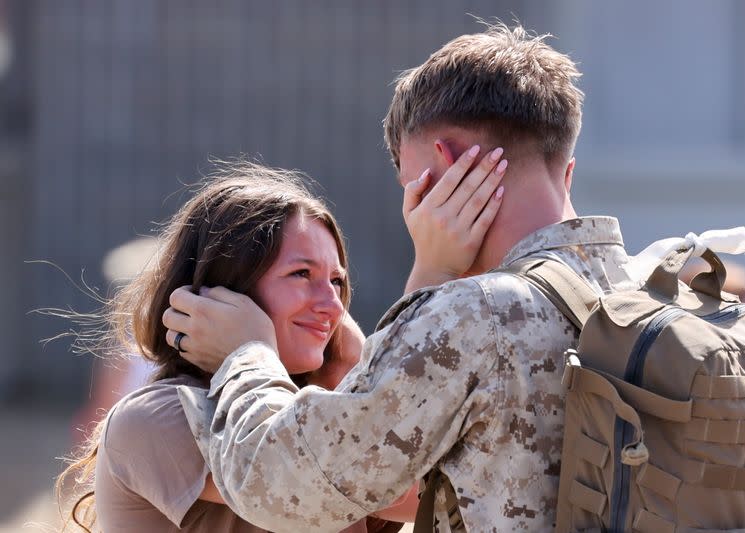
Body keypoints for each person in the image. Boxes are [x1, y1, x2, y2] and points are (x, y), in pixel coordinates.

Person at [165, 24, 631, 532]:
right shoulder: (646, 292)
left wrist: (244, 356)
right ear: (566, 172)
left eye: (412, 188)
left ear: (445, 166)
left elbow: (285, 488)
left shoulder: (476, 315)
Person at [56, 157, 504, 532]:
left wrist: (353, 370)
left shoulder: (320, 418)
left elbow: (439, 493)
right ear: (225, 291)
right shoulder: (156, 418)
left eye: (336, 281)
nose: (331, 304)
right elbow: (317, 485)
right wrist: (429, 278)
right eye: (301, 275)